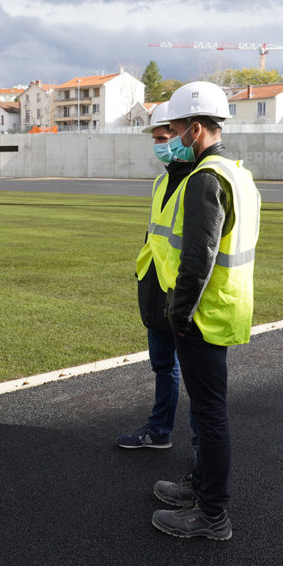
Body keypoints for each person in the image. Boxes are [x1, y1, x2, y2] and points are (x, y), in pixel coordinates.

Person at [144, 81, 261, 541]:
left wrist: (179, 313)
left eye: (173, 129)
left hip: (201, 315)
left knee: (210, 415)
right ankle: (200, 486)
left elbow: (199, 256)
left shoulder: (204, 180)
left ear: (195, 129)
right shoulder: (237, 173)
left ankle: (212, 514)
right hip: (223, 307)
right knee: (209, 412)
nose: (169, 138)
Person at [118, 104, 196, 450]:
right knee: (163, 367)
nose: (160, 145)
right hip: (155, 289)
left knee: (195, 376)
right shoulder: (161, 181)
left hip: (183, 294)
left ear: (183, 134)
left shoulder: (200, 180)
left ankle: (201, 451)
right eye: (156, 139)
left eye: (164, 137)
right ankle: (160, 430)